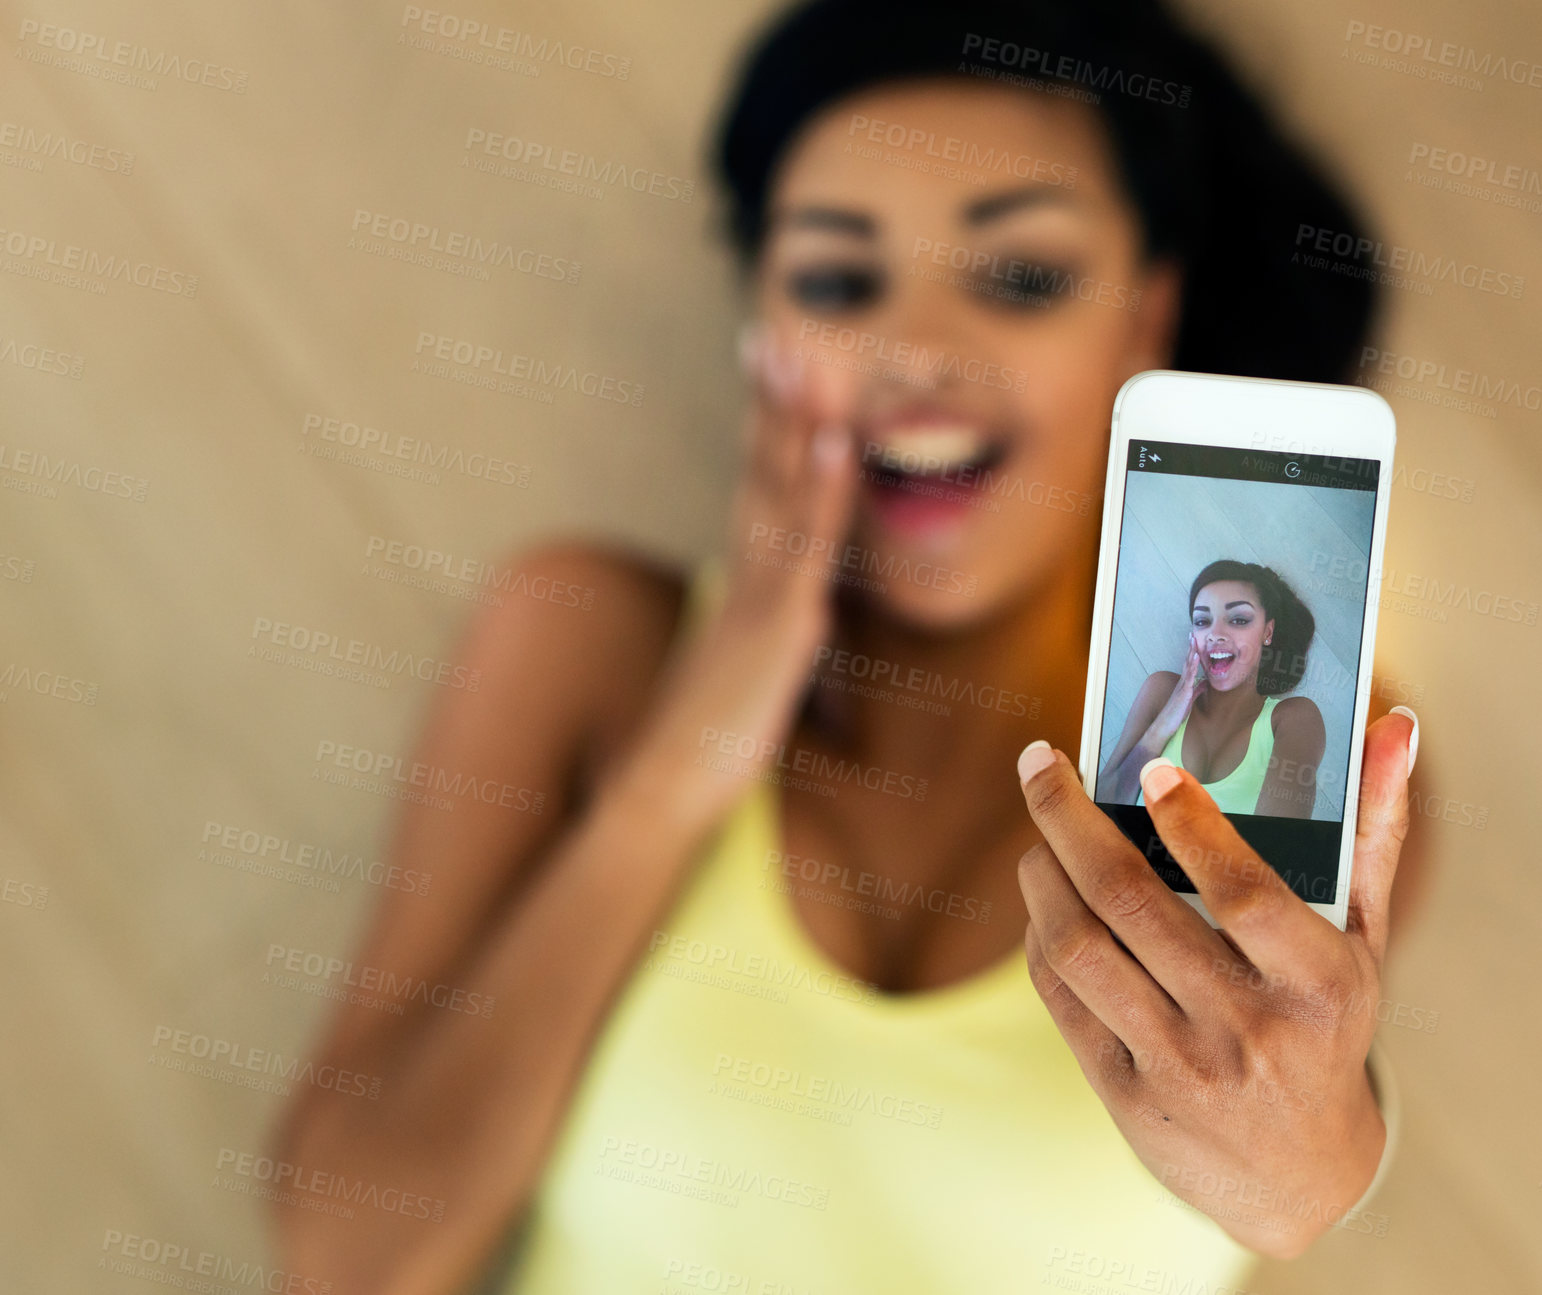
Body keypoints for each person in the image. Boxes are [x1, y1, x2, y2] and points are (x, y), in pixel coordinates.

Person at [270, 2, 1424, 1291]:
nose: (918, 353)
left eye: (1023, 275)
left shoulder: (1303, 739)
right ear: (761, 325)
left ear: (1146, 320)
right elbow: (346, 1258)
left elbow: (1298, 1160)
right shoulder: (590, 639)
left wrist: (1332, 1159)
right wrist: (677, 772)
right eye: (836, 279)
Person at [1099, 560, 1325, 816]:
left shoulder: (1295, 718)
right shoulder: (1162, 690)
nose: (1215, 634)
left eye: (1238, 620)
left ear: (1267, 631)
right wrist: (1161, 727)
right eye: (1203, 621)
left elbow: (1281, 845)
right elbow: (1099, 809)